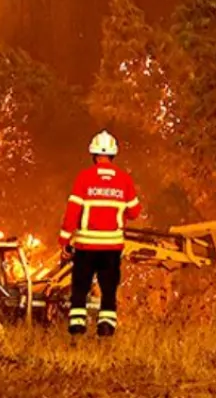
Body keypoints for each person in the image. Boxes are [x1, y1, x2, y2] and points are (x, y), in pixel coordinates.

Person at [57, 129, 141, 337]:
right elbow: (134, 212)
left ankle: (77, 328)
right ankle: (105, 327)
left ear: (93, 154)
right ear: (113, 154)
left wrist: (64, 240)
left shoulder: (84, 178)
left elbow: (72, 212)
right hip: (112, 248)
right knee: (109, 289)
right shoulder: (124, 180)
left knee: (80, 288)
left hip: (85, 247)